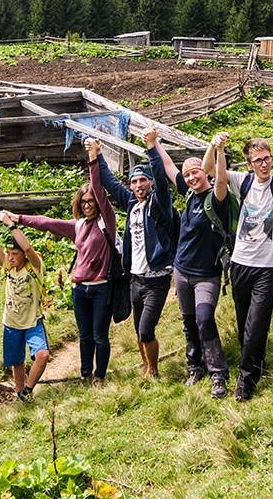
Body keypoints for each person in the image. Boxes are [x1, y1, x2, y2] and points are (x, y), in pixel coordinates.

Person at [9, 138, 117, 385]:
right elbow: (47, 222)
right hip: (79, 289)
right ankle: (85, 373)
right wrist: (19, 218)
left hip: (101, 288)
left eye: (91, 202)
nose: (88, 205)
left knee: (100, 335)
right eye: (84, 202)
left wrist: (93, 158)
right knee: (85, 335)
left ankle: (100, 376)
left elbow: (99, 190)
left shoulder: (106, 222)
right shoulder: (77, 226)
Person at [223, 125, 273, 401]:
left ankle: (246, 379)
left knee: (257, 321)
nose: (265, 164)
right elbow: (210, 170)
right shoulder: (240, 180)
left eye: (267, 158)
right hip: (240, 262)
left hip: (268, 265)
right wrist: (215, 147)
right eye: (258, 160)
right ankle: (257, 361)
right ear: (249, 163)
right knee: (245, 321)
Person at [153, 132, 232, 397]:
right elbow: (168, 168)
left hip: (207, 275)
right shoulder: (188, 194)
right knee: (189, 322)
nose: (190, 178)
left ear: (204, 172)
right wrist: (155, 144)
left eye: (195, 172)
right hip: (182, 270)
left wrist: (218, 150)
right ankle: (194, 366)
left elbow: (220, 178)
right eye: (187, 175)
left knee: (204, 319)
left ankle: (218, 374)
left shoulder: (217, 199)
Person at [96, 128, 177, 379]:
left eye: (143, 180)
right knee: (137, 328)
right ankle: (146, 365)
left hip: (157, 278)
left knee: (146, 330)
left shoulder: (160, 203)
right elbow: (109, 181)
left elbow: (163, 181)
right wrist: (98, 155)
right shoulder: (131, 203)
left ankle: (153, 370)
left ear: (150, 182)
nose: (138, 185)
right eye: (134, 181)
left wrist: (152, 147)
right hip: (135, 278)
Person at [0, 209, 50, 401]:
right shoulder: (8, 266)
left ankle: (28, 389)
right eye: (9, 253)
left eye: (15, 253)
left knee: (43, 355)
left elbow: (29, 249)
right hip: (11, 323)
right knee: (17, 362)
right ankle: (21, 394)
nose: (11, 257)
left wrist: (10, 224)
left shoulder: (35, 266)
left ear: (23, 255)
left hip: (33, 322)